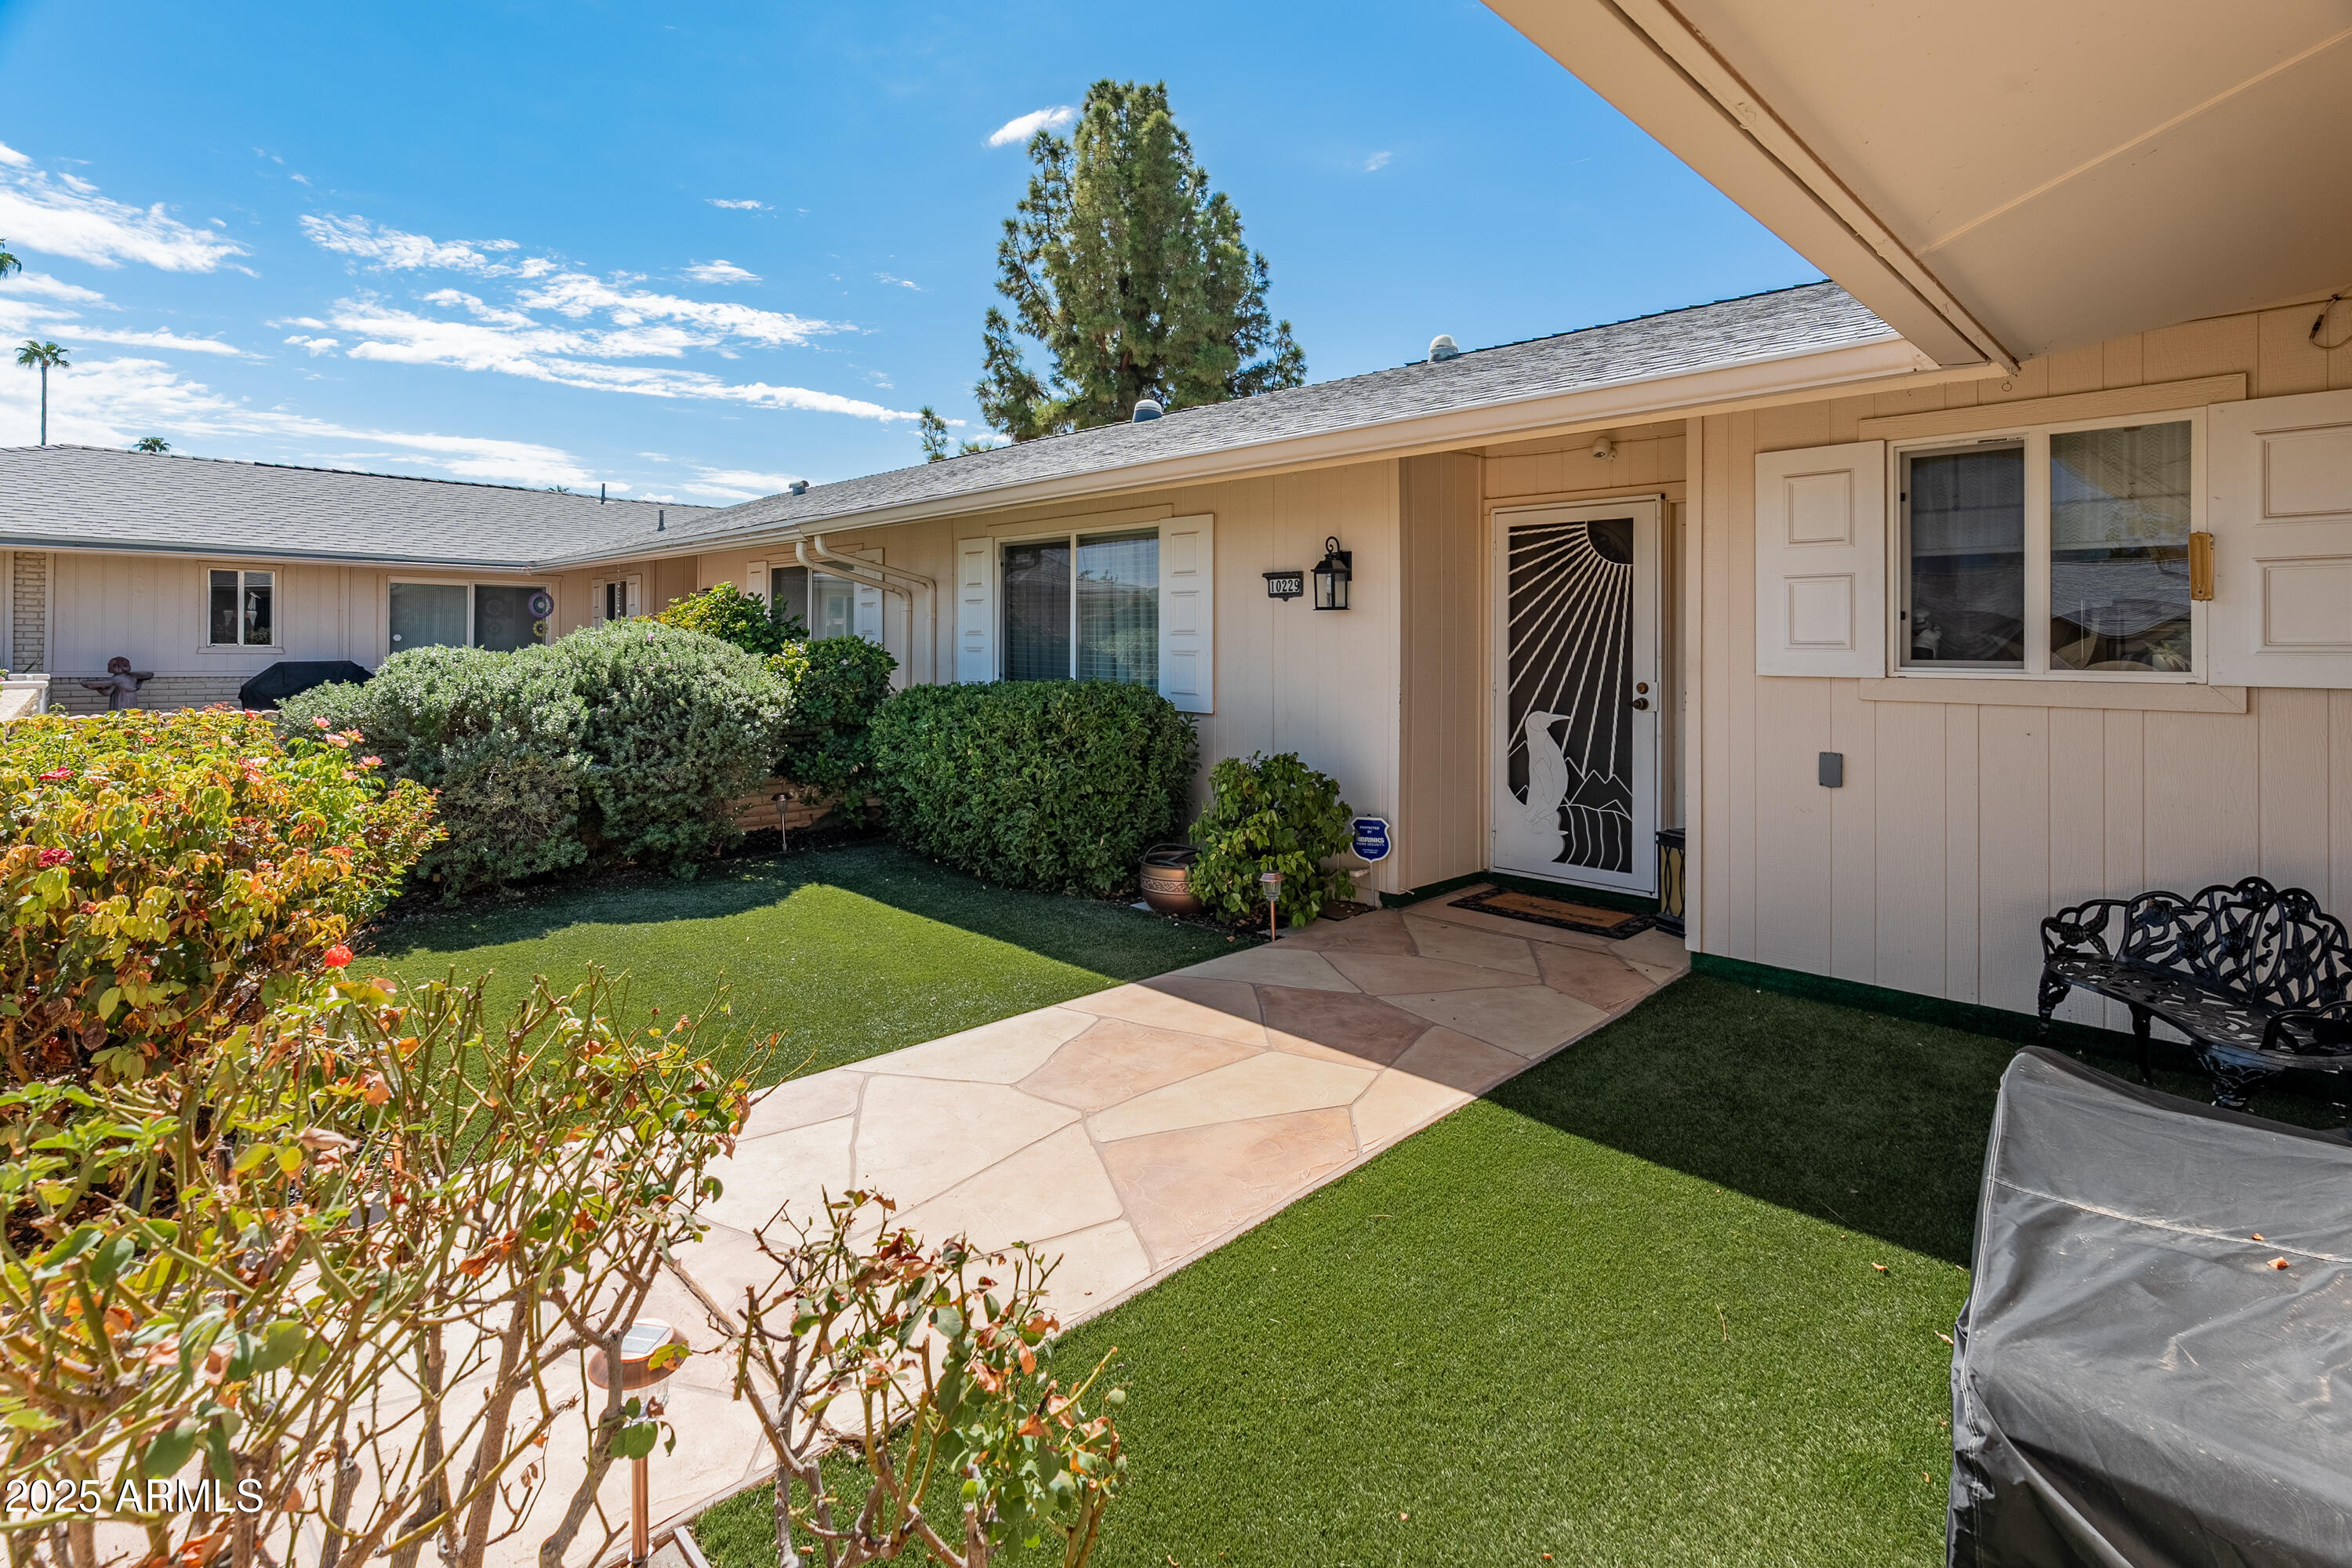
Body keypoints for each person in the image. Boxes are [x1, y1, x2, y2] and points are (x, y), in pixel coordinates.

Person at [80, 655, 153, 711]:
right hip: (132, 701)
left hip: (120, 702)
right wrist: (141, 681)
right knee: (132, 716)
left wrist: (98, 688)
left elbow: (107, 692)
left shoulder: (116, 679)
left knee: (120, 717)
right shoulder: (132, 678)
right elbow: (137, 687)